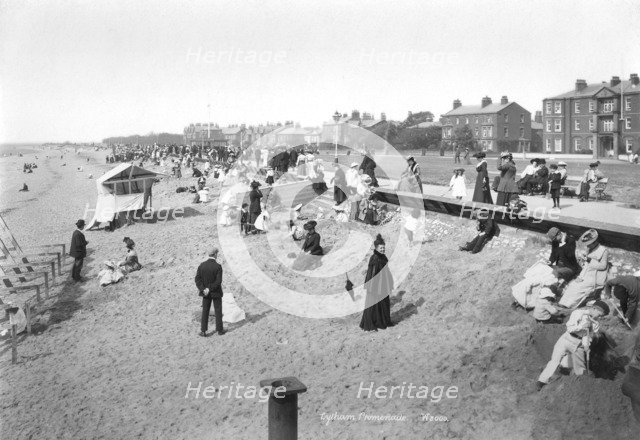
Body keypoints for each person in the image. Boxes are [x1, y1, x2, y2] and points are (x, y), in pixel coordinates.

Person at [536, 300, 610, 390]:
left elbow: (587, 336)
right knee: (554, 361)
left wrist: (587, 344)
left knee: (579, 368)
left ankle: (581, 387)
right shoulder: (578, 313)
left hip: (578, 345)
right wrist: (582, 326)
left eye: (602, 316)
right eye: (600, 315)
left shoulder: (595, 323)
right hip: (566, 339)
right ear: (594, 309)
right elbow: (570, 328)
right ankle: (541, 381)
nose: (600, 318)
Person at [559, 229, 610, 308]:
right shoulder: (589, 249)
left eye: (589, 244)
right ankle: (563, 303)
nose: (587, 246)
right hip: (586, 274)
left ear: (594, 242)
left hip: (595, 276)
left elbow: (603, 266)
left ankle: (569, 305)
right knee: (573, 285)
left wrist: (590, 260)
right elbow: (586, 266)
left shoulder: (603, 250)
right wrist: (580, 276)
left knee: (579, 288)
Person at [360, 234, 394, 331]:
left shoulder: (383, 257)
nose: (383, 249)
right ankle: (370, 325)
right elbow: (373, 274)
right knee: (372, 305)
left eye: (383, 248)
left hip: (383, 285)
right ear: (376, 248)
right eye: (381, 248)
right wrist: (374, 287)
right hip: (375, 286)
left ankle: (381, 322)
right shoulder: (375, 258)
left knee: (383, 304)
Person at [195, 247, 225, 337]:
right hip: (215, 292)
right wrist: (209, 288)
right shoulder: (218, 266)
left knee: (205, 311)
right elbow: (218, 281)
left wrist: (203, 289)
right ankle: (220, 330)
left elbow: (197, 279)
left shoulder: (202, 265)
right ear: (215, 254)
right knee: (218, 310)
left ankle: (203, 331)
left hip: (205, 293)